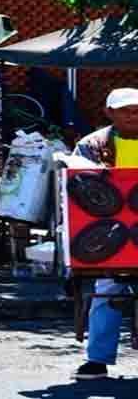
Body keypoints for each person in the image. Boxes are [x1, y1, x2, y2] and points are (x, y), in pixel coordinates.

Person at [71, 88, 138, 381]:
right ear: (108, 112)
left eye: (137, 108)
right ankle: (97, 360)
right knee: (107, 290)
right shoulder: (92, 145)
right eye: (125, 109)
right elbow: (76, 182)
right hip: (107, 234)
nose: (133, 114)